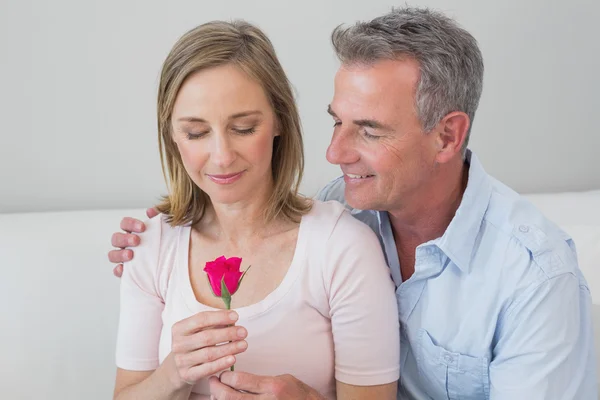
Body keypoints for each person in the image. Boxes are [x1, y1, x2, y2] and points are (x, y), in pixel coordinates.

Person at [109, 7, 598, 400]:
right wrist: (157, 237)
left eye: (369, 129)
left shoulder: (535, 280)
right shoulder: (346, 204)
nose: (334, 154)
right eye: (336, 122)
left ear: (447, 135)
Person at [111, 19, 400, 400]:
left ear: (280, 120)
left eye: (244, 128)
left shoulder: (341, 247)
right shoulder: (150, 245)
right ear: (172, 135)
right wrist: (173, 374)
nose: (222, 156)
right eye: (196, 133)